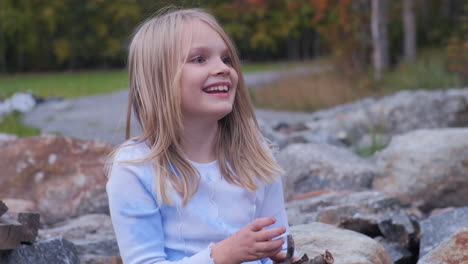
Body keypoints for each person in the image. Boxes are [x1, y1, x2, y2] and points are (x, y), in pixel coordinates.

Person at [106, 7, 292, 264]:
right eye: (199, 59)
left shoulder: (256, 154)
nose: (223, 68)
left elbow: (277, 245)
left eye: (226, 59)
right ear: (159, 79)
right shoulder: (136, 168)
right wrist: (221, 256)